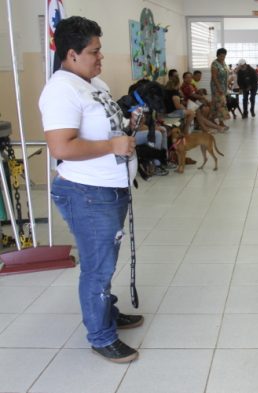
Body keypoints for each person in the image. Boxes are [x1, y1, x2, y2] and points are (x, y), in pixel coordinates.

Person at [39, 16, 143, 363]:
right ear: (71, 54)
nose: (101, 58)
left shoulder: (91, 82)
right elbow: (62, 148)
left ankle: (107, 311)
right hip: (87, 192)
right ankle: (101, 336)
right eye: (94, 52)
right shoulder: (60, 90)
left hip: (108, 188)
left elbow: (102, 129)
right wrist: (113, 146)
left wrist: (127, 127)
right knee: (97, 267)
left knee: (106, 259)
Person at [210, 48, 230, 129]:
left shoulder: (223, 63)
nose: (223, 57)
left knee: (215, 104)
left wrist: (227, 85)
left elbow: (226, 75)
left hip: (223, 87)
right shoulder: (214, 64)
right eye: (221, 56)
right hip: (217, 87)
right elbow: (214, 77)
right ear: (217, 55)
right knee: (221, 104)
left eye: (224, 56)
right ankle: (221, 122)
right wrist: (219, 88)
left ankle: (211, 119)